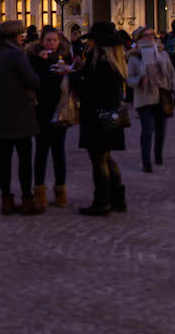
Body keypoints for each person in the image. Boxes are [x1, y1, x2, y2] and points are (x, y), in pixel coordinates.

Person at [0, 20, 43, 215]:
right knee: (25, 158)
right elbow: (33, 81)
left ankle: (6, 200)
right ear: (13, 37)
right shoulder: (16, 55)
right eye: (20, 35)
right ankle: (27, 199)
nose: (22, 38)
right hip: (19, 113)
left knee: (4, 159)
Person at [70, 21, 127, 216]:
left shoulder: (103, 64)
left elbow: (90, 91)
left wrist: (73, 77)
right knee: (106, 157)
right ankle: (118, 197)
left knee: (98, 159)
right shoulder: (113, 62)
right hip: (110, 115)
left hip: (97, 116)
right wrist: (82, 69)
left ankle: (102, 200)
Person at [127, 26, 175, 173]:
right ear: (139, 39)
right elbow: (129, 79)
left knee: (161, 130)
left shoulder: (162, 54)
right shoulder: (134, 57)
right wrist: (139, 80)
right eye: (146, 35)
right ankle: (146, 162)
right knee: (148, 129)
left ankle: (158, 154)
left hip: (162, 96)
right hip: (144, 98)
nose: (151, 37)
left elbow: (171, 74)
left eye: (152, 35)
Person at [29, 26, 72, 210]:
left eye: (54, 40)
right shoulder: (33, 59)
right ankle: (40, 191)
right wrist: (42, 64)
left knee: (59, 152)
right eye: (49, 40)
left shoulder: (64, 58)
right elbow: (34, 82)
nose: (52, 44)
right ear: (42, 41)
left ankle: (60, 191)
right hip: (42, 112)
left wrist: (68, 72)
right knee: (41, 152)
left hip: (60, 111)